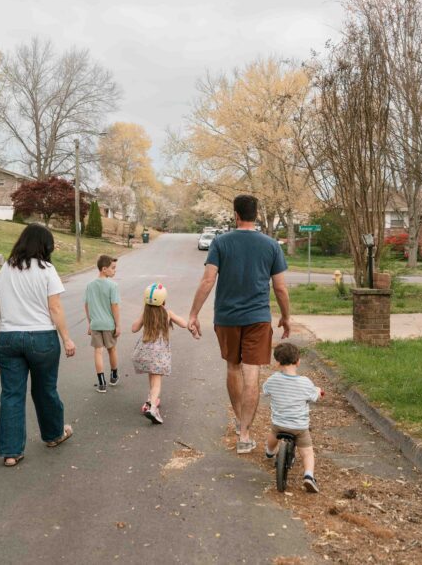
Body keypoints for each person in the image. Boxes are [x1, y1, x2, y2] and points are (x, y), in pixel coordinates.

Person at [188, 194, 292, 454]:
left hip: (227, 317)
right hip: (257, 318)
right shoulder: (271, 245)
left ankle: (239, 420)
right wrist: (286, 316)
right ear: (256, 215)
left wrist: (193, 313)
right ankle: (245, 434)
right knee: (252, 374)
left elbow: (207, 281)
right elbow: (280, 288)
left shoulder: (221, 243)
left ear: (235, 214)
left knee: (233, 368)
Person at [0, 224, 76, 467]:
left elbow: (0, 303)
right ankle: (53, 434)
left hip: (9, 337)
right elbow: (55, 307)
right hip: (42, 337)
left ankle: (11, 452)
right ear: (44, 245)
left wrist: (10, 323)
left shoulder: (6, 269)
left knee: (11, 394)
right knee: (45, 389)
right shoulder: (47, 270)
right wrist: (67, 338)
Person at [263, 342, 323, 493]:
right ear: (298, 361)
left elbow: (265, 391)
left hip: (279, 424)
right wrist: (318, 391)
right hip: (299, 428)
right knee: (307, 452)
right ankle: (309, 475)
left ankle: (270, 451)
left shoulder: (273, 380)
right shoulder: (305, 383)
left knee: (273, 434)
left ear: (277, 363)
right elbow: (315, 396)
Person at [131, 283, 194, 424]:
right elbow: (184, 324)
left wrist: (142, 318)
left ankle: (150, 400)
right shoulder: (167, 313)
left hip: (144, 352)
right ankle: (153, 408)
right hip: (159, 354)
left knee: (152, 377)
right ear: (163, 301)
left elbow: (134, 328)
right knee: (157, 383)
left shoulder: (145, 313)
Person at [84, 254, 121, 393]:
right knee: (112, 349)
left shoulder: (90, 285)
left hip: (95, 324)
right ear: (104, 269)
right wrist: (118, 325)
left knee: (98, 352)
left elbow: (86, 305)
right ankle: (114, 375)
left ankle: (101, 382)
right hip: (109, 324)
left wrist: (90, 323)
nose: (114, 271)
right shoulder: (113, 285)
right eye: (113, 268)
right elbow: (115, 306)